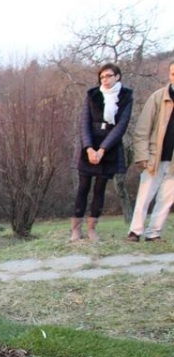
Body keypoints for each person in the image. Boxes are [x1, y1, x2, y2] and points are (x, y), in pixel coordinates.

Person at [71, 63, 133, 242]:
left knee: (100, 189)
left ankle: (92, 229)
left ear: (117, 76)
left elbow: (121, 126)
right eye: (102, 77)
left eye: (108, 76)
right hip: (89, 145)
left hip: (110, 146)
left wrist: (102, 150)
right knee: (83, 188)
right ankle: (76, 230)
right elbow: (84, 123)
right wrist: (90, 149)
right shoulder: (92, 95)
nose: (105, 79)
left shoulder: (127, 96)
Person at [128, 61, 174, 242]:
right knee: (145, 195)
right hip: (155, 157)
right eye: (172, 73)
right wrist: (142, 155)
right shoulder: (158, 97)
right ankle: (135, 231)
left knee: (167, 199)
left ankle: (153, 233)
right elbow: (142, 129)